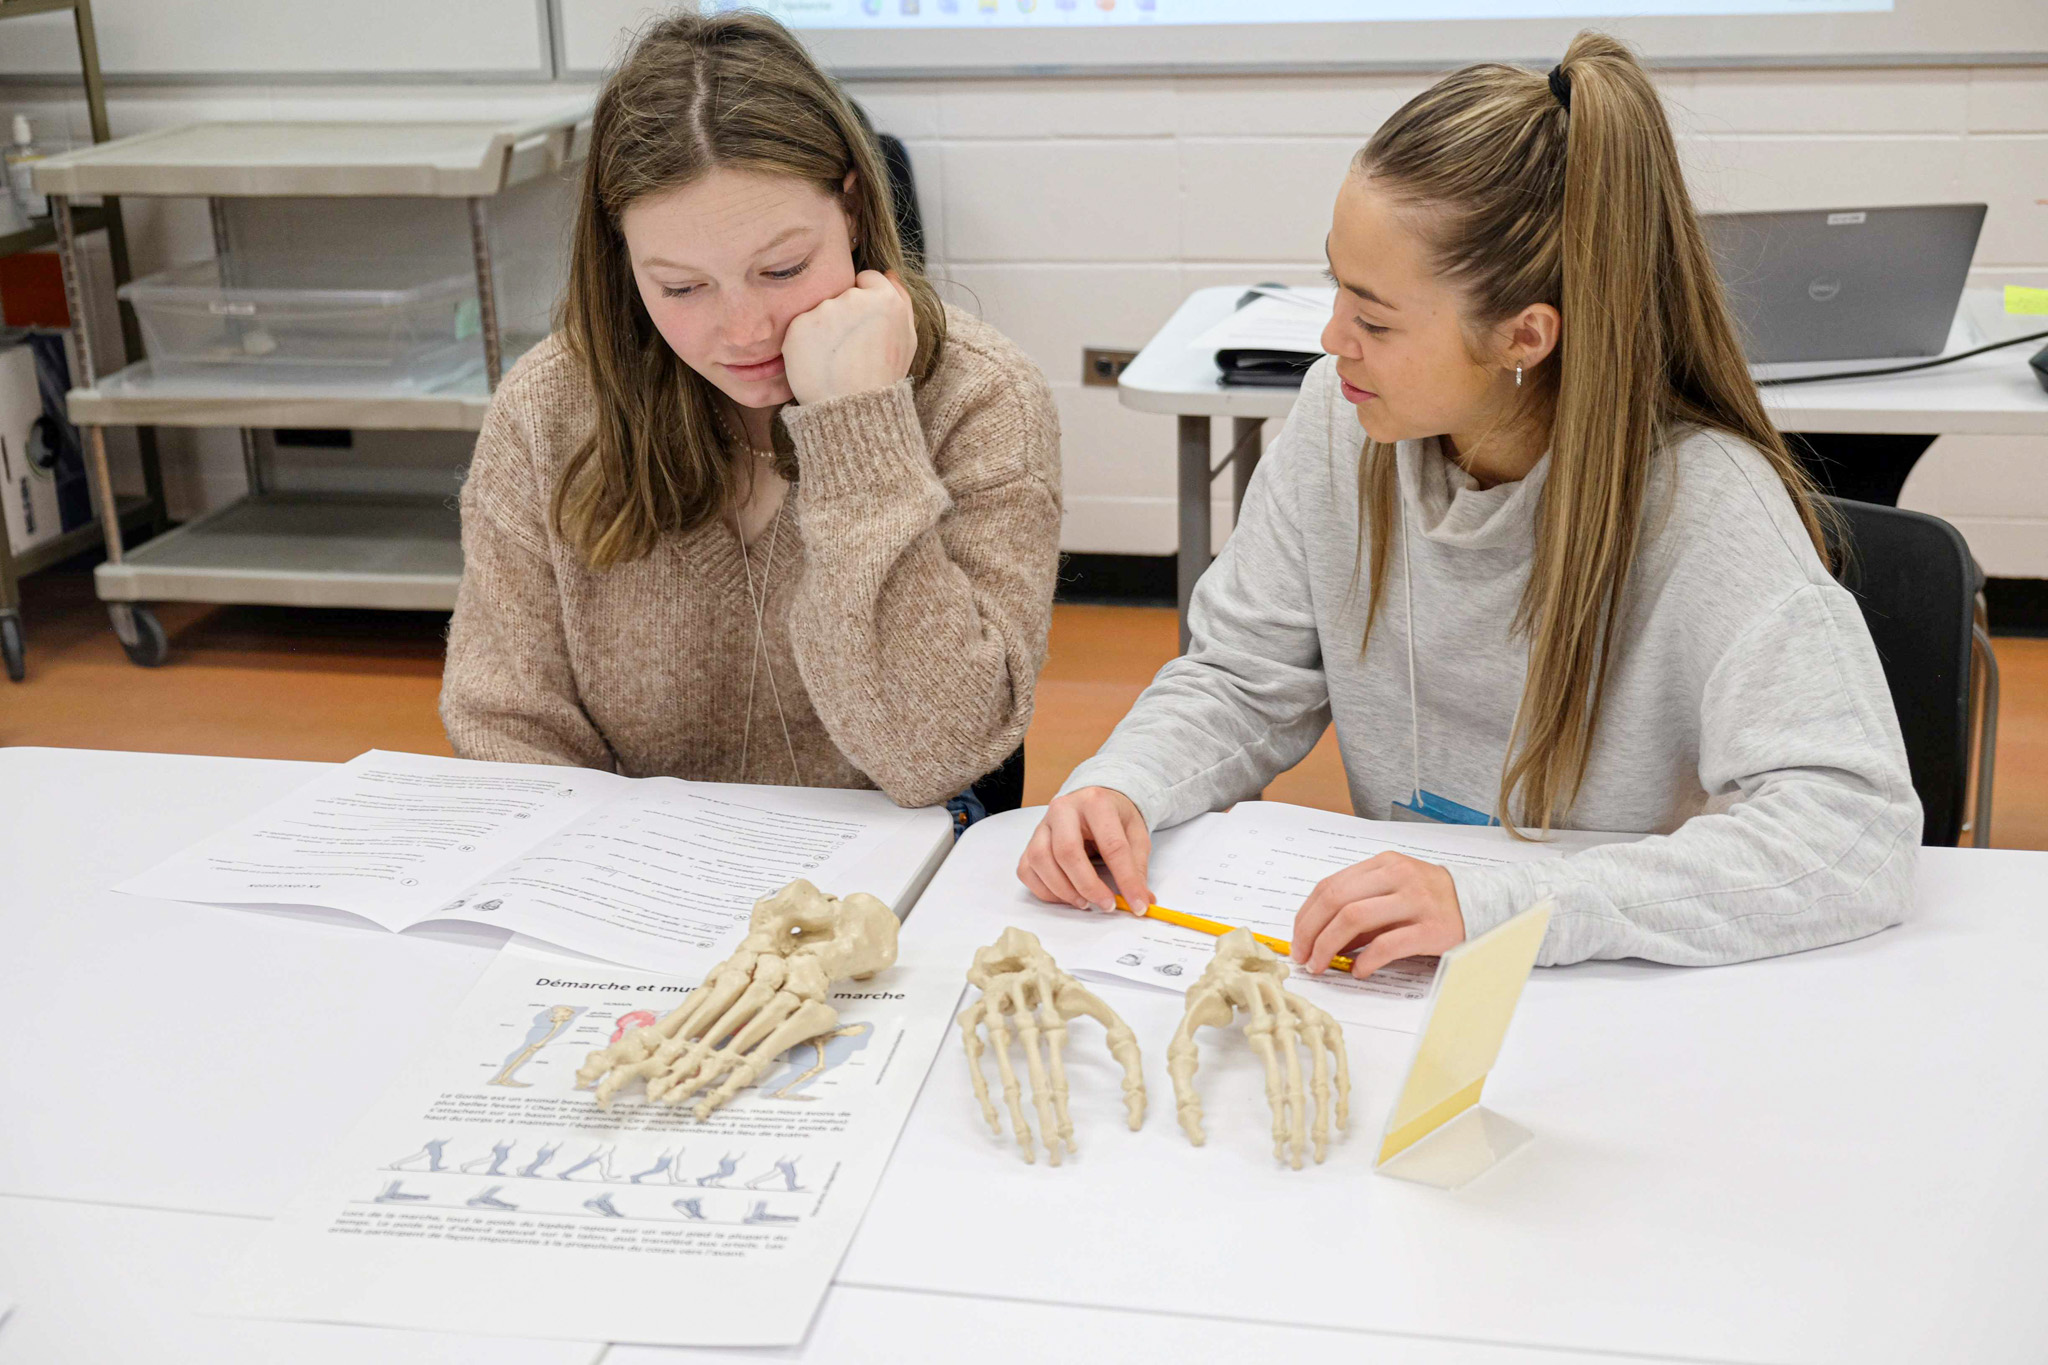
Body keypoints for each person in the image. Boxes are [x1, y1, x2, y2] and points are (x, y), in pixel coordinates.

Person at [1018, 33, 1919, 974]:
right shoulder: (1342, 420)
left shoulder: (1709, 506)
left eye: (1373, 318)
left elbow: (1854, 834)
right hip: (1418, 982)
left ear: (1523, 336)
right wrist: (1125, 782)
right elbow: (1242, 675)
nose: (1332, 341)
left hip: (1619, 985)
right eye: (1335, 286)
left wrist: (1512, 907)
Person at [441, 11, 1061, 815]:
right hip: (630, 882)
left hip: (888, 895)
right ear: (621, 257)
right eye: (681, 287)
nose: (744, 331)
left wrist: (859, 429)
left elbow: (936, 754)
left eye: (782, 268)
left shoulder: (981, 399)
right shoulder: (548, 409)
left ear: (853, 208)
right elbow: (509, 733)